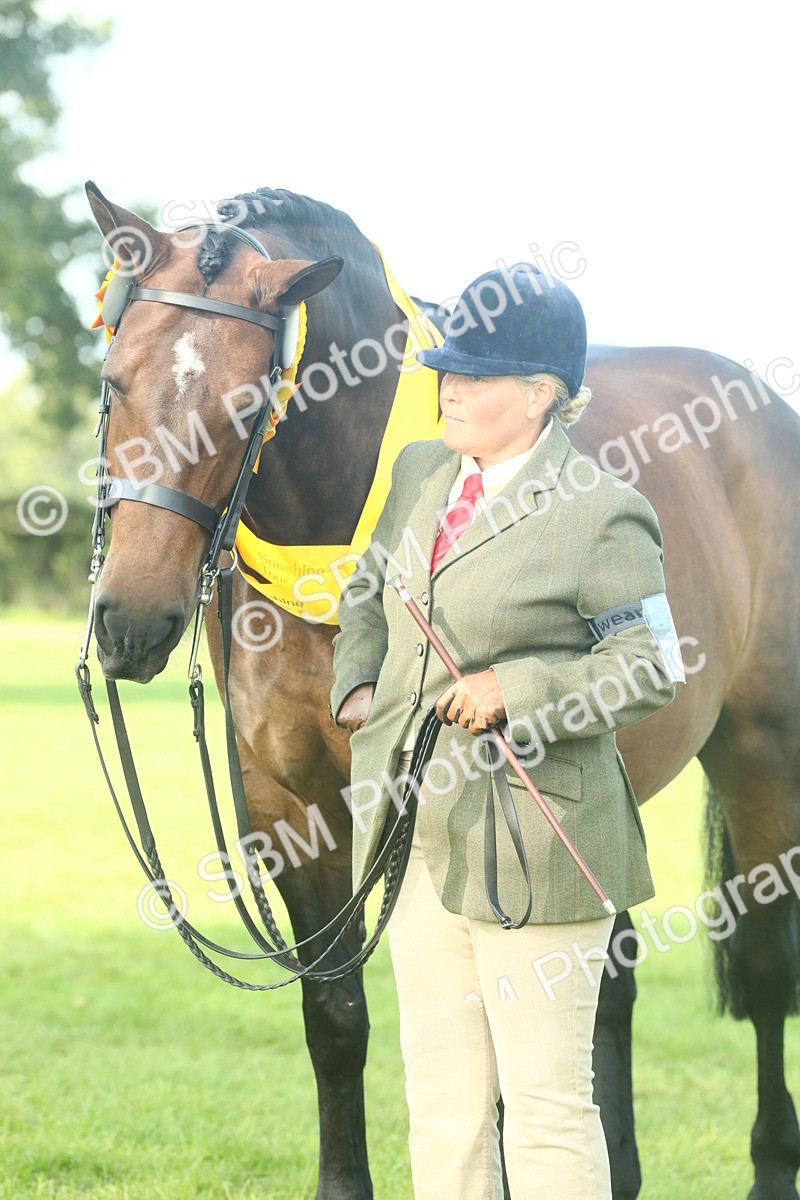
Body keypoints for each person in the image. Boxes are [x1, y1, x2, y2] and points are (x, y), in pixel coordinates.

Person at [330, 264, 684, 1200]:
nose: (450, 388)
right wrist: (359, 685)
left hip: (541, 849)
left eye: (477, 376)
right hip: (415, 836)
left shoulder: (602, 512)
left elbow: (651, 668)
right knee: (442, 1104)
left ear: (542, 395)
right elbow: (371, 589)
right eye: (447, 370)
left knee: (547, 1108)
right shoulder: (418, 472)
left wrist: (515, 687)